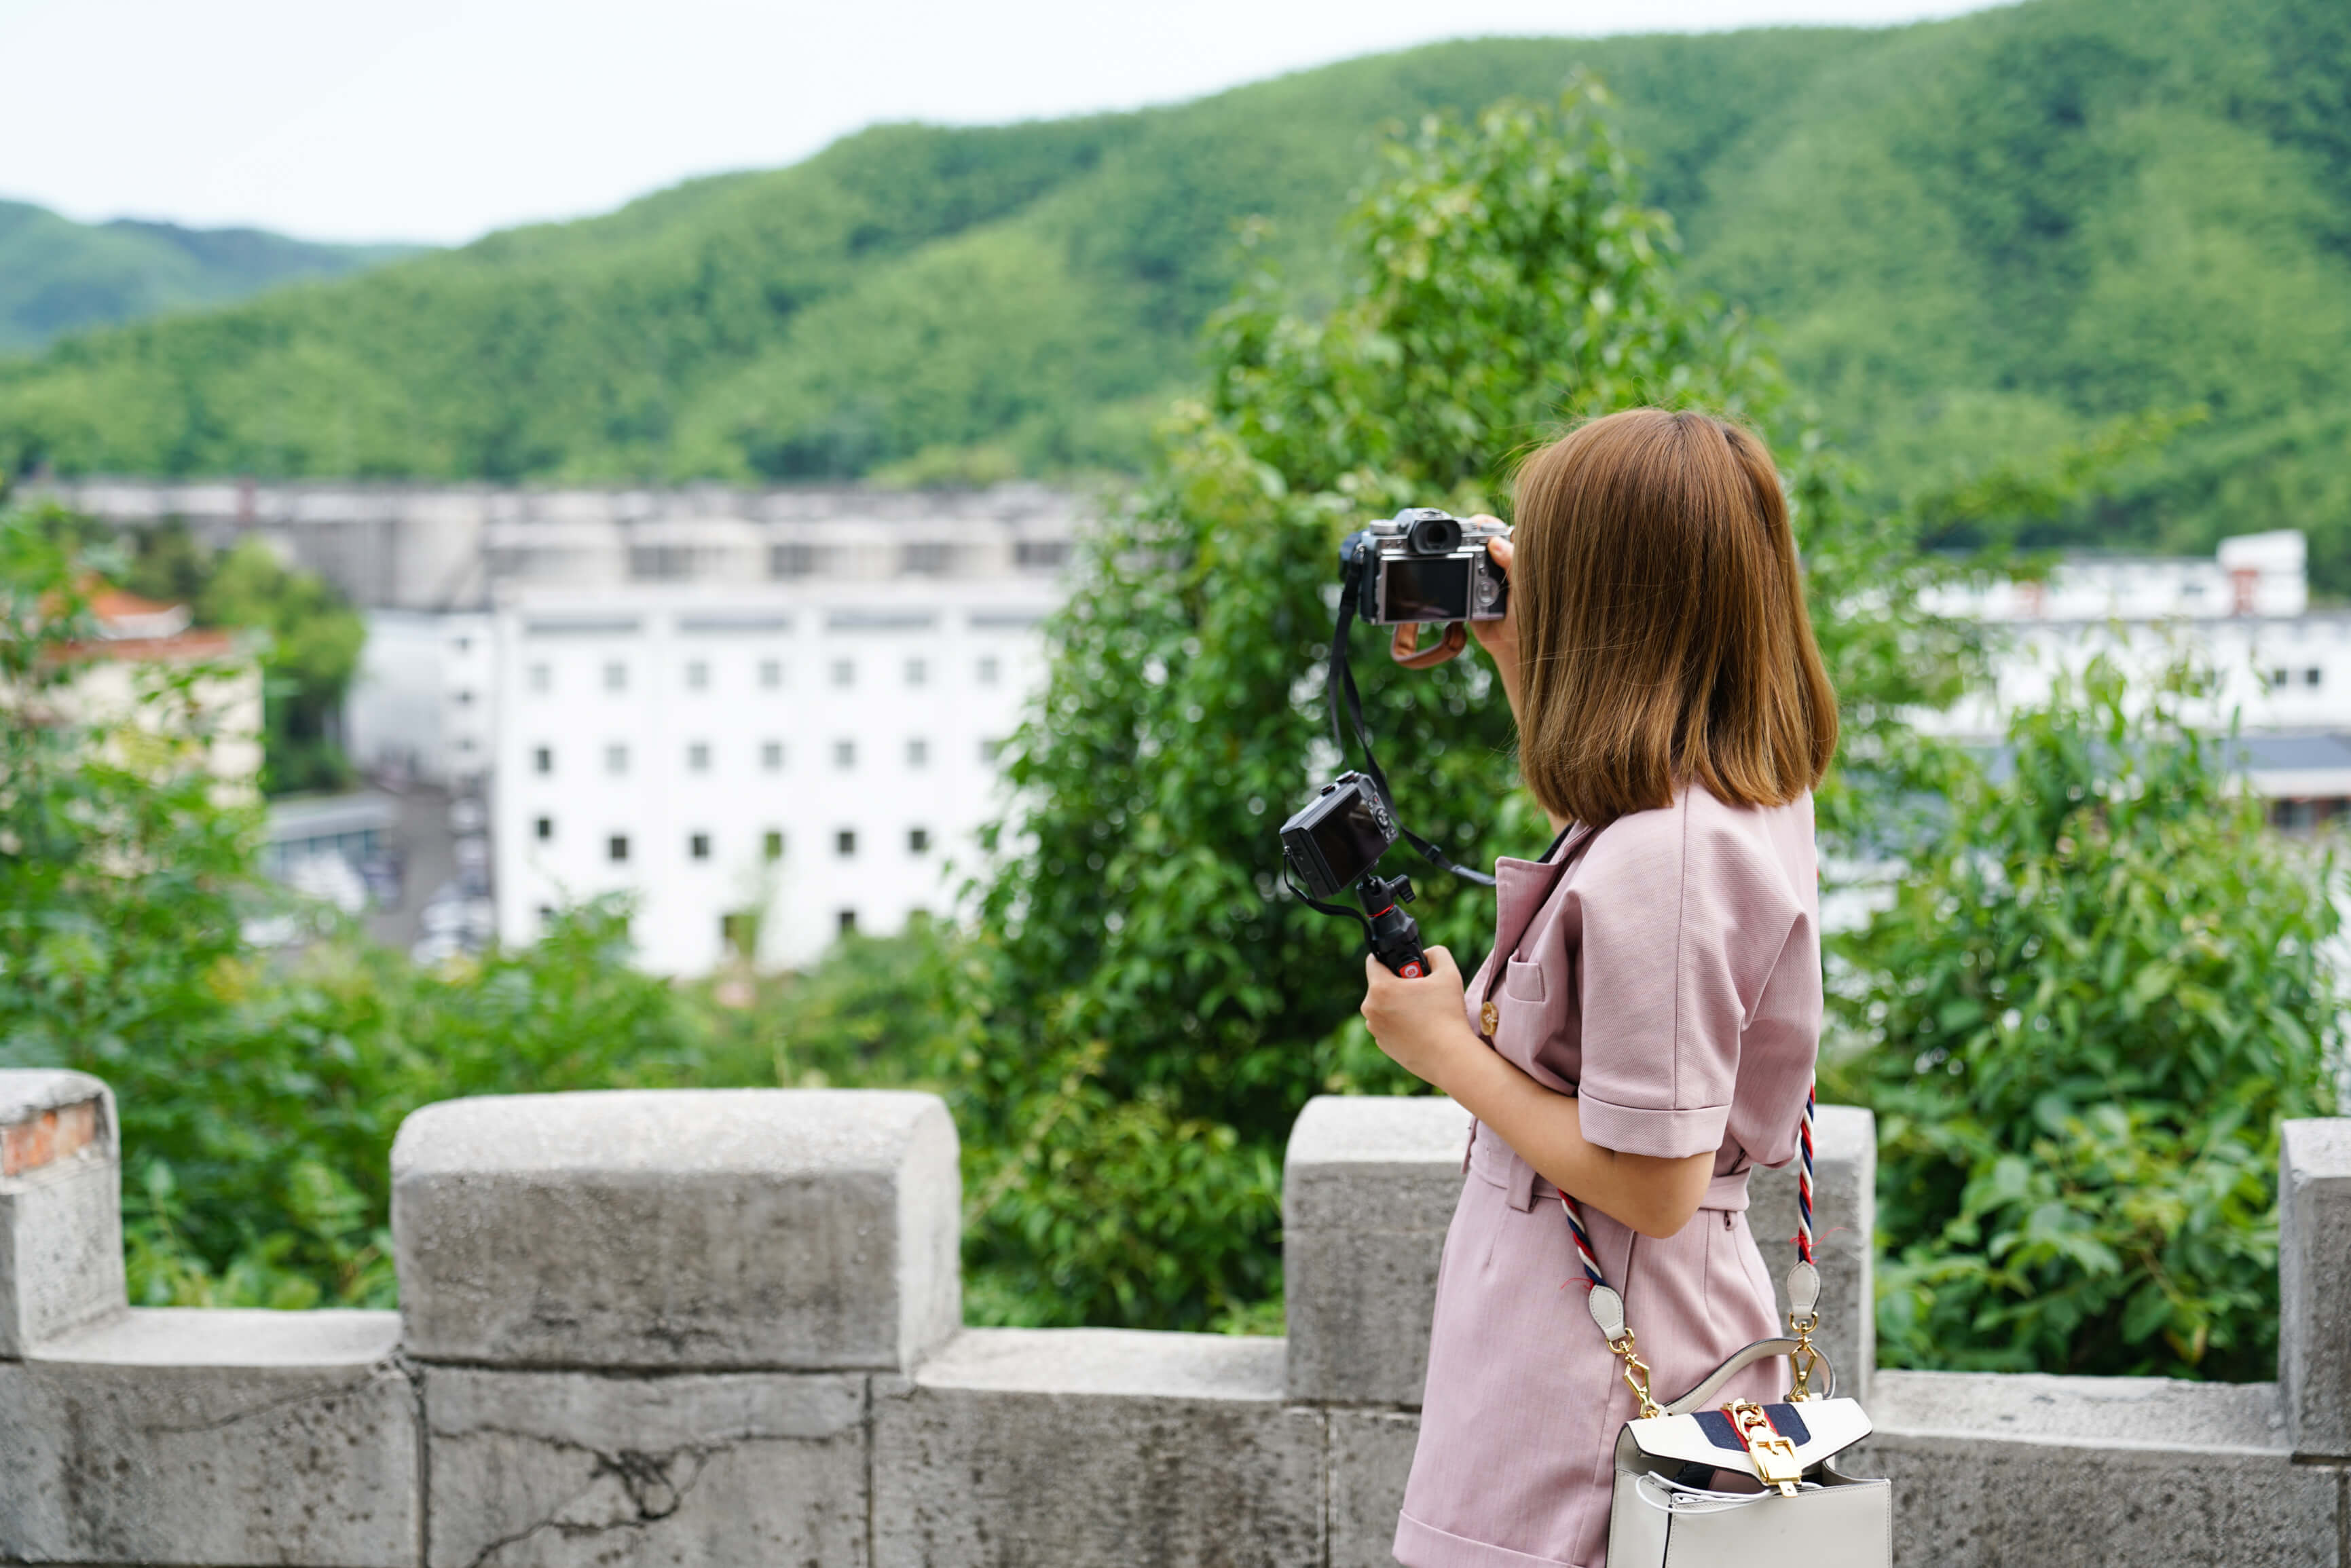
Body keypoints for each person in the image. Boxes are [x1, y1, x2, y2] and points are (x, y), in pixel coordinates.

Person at [1356, 407, 1838, 1568]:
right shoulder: (1736, 790)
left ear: (1610, 602)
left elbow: (1656, 1182)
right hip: (1646, 1324)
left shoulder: (1667, 858)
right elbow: (1614, 825)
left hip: (1592, 1377)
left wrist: (1446, 1052)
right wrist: (1527, 655)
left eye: (1548, 560)